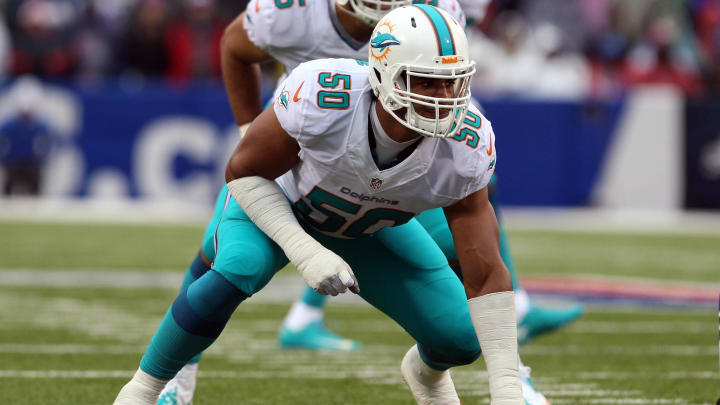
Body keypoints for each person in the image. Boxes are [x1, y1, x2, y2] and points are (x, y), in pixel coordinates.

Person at [114, 6, 547, 405]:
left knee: (460, 338)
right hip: (281, 203)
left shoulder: (468, 141)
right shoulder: (324, 92)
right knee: (238, 267)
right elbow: (243, 172)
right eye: (425, 81)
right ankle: (143, 389)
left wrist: (505, 387)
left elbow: (486, 270)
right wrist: (303, 250)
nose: (443, 96)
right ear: (385, 77)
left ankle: (427, 375)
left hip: (366, 229)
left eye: (452, 81)